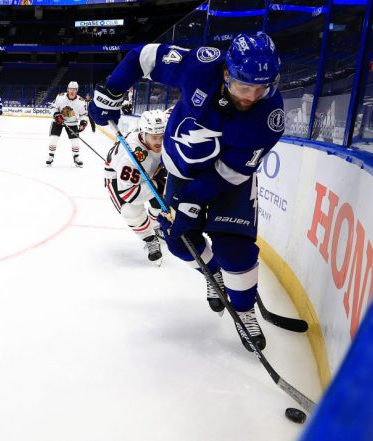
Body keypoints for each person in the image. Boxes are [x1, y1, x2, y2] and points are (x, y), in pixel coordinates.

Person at [89, 33, 285, 352]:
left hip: (228, 180)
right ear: (226, 73)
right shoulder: (200, 66)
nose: (251, 97)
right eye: (243, 86)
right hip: (180, 171)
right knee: (178, 240)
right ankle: (214, 275)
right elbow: (145, 55)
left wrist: (193, 201)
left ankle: (245, 311)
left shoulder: (269, 118)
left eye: (260, 88)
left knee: (233, 246)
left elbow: (232, 171)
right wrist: (111, 91)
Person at [105, 110, 167, 264]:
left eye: (162, 136)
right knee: (131, 210)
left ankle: (156, 223)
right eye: (154, 137)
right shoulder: (131, 157)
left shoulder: (157, 131)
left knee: (165, 198)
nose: (159, 141)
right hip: (118, 178)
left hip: (150, 170)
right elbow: (129, 194)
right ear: (143, 133)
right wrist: (158, 184)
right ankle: (149, 238)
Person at [46, 81, 88, 167]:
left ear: (77, 90)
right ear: (67, 89)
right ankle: (51, 156)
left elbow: (84, 114)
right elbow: (52, 107)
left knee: (75, 142)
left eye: (74, 89)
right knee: (53, 139)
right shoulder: (60, 97)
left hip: (72, 123)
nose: (72, 91)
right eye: (70, 89)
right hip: (58, 121)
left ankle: (76, 158)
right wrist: (56, 115)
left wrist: (83, 123)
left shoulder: (81, 101)